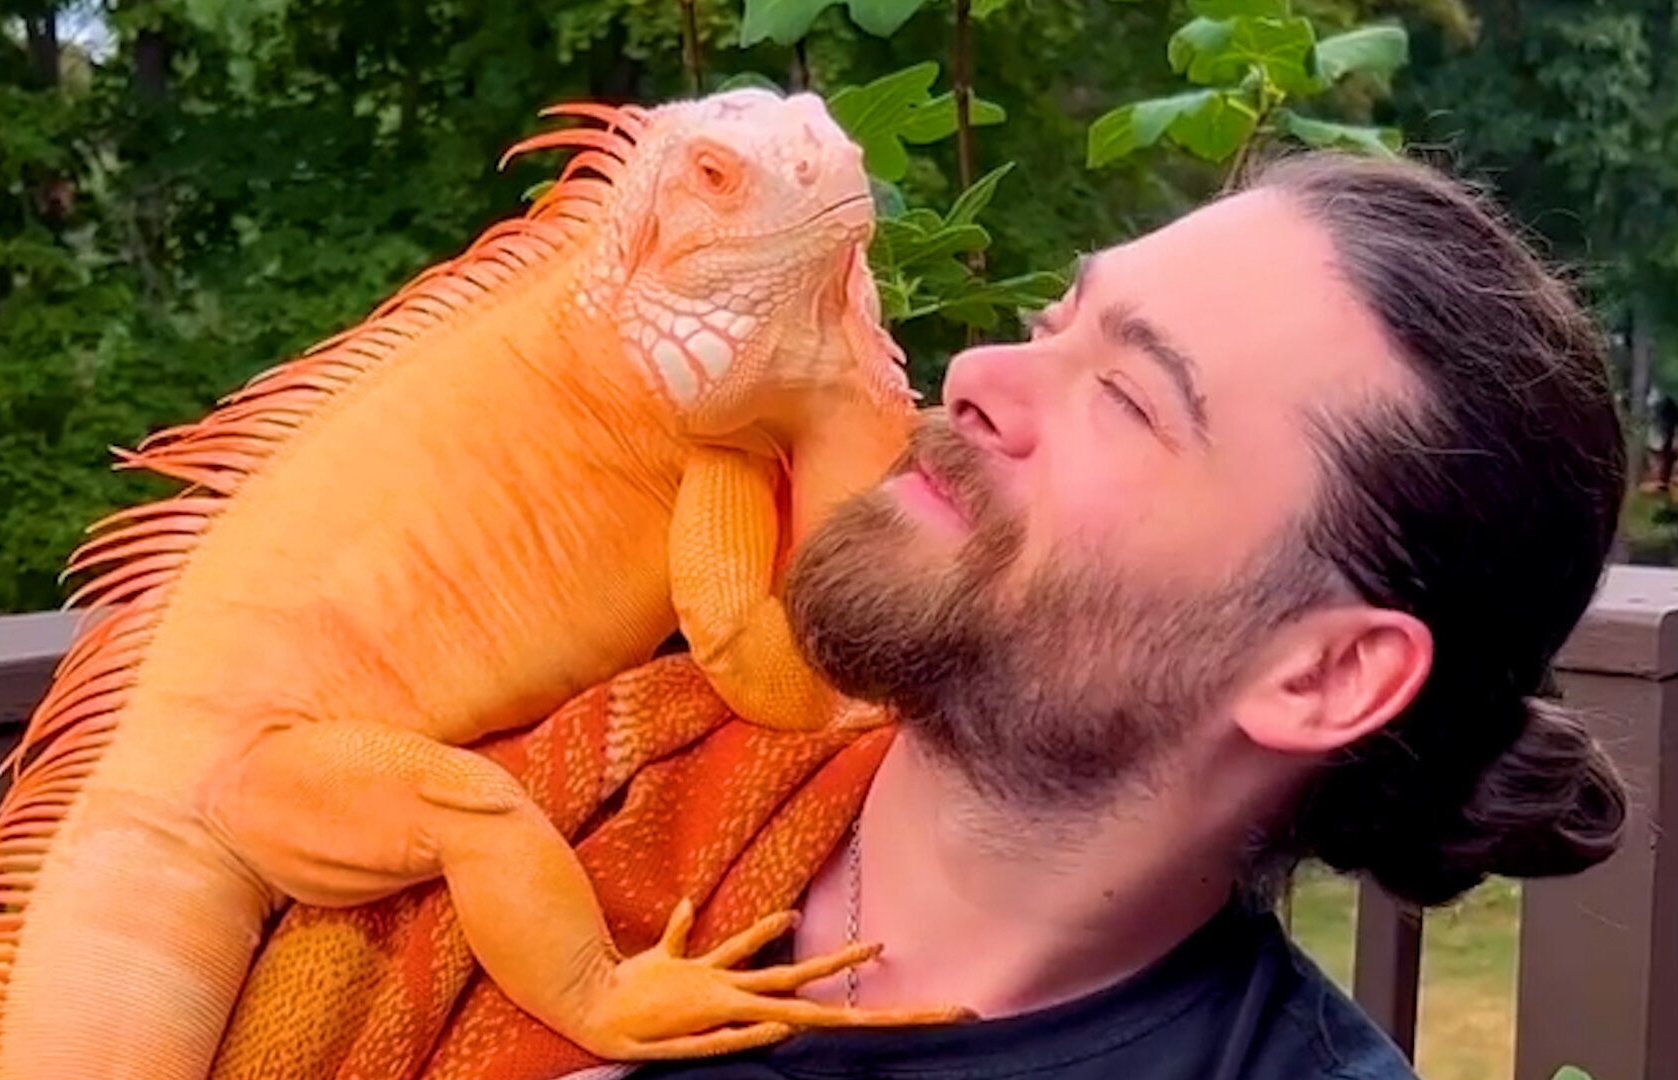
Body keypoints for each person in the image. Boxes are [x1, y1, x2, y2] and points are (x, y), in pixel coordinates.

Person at [624, 149, 1632, 1079]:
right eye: (1053, 324)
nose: (977, 376)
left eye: (1128, 399)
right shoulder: (582, 771)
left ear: (1323, 676)